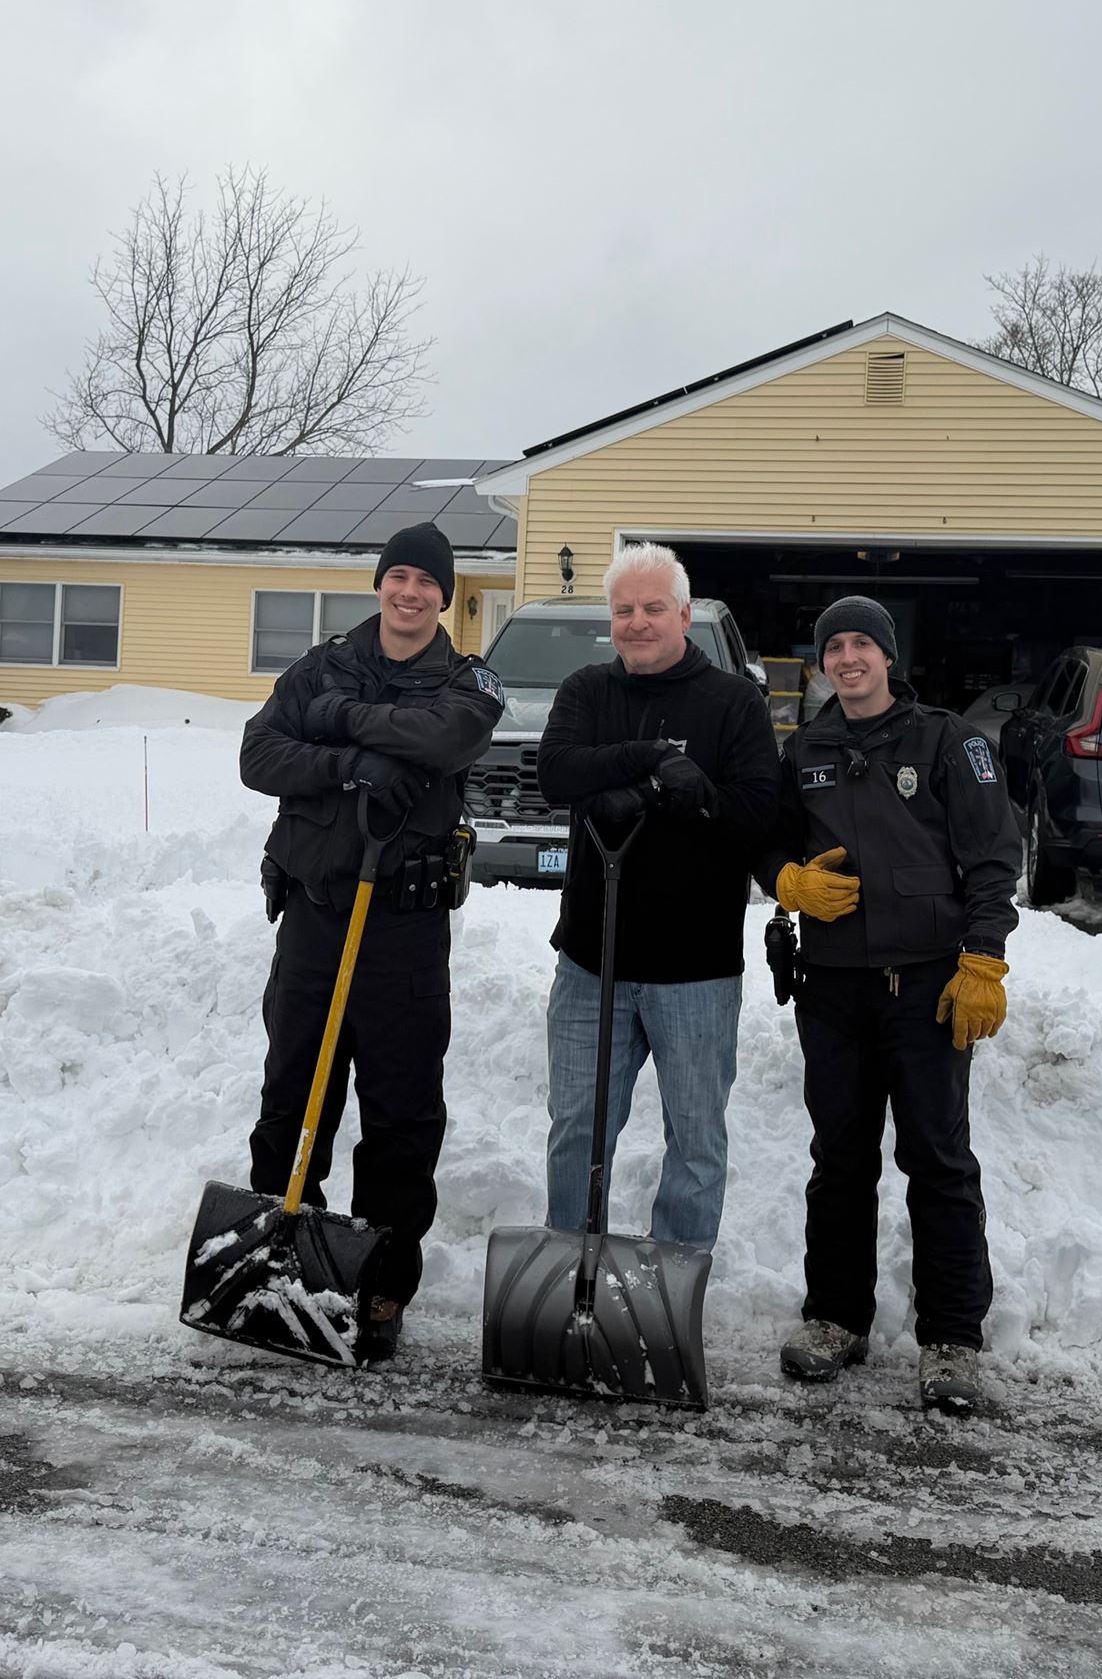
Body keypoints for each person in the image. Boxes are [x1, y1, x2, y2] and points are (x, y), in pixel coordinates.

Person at [237, 521, 504, 1362]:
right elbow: (259, 755)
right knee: (294, 1095)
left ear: (444, 596)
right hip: (315, 919)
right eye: (400, 577)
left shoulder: (467, 682)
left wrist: (337, 723)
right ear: (380, 584)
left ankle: (382, 1284)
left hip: (405, 931)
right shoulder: (318, 666)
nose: (410, 593)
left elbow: (443, 739)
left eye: (427, 583)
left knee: (401, 1113)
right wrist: (346, 765)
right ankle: (284, 1260)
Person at [758, 595, 1020, 1413]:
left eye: (861, 644)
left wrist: (983, 959)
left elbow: (993, 857)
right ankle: (836, 1318)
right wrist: (786, 880)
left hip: (928, 988)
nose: (847, 658)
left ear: (887, 656)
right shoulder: (806, 749)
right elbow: (767, 839)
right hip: (832, 987)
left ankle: (952, 1339)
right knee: (839, 1159)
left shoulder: (948, 741)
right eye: (833, 647)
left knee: (937, 1160)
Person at [533, 542, 780, 1253]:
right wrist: (648, 759)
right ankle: (571, 1273)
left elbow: (756, 813)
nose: (636, 623)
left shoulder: (734, 702)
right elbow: (556, 773)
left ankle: (672, 1279)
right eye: (623, 611)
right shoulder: (586, 691)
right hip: (592, 961)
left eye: (652, 608)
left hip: (696, 969)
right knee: (577, 1130)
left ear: (684, 613)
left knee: (696, 1139)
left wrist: (686, 797)